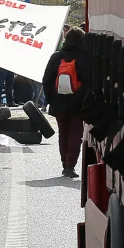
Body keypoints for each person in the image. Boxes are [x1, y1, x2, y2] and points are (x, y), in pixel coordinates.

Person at [42, 27, 89, 178]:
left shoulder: (56, 57)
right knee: (76, 134)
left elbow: (46, 80)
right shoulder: (85, 57)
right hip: (78, 103)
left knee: (63, 133)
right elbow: (89, 82)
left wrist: (50, 99)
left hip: (58, 102)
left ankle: (64, 164)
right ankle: (70, 165)